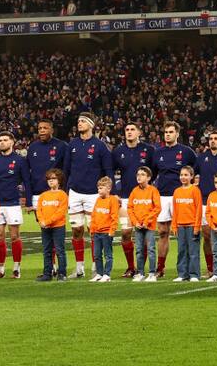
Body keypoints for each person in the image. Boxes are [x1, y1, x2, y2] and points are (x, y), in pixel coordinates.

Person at [65, 114, 112, 279]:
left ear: (91, 125)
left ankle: (95, 266)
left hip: (94, 194)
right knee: (76, 230)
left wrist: (107, 192)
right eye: (78, 121)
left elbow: (108, 171)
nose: (79, 123)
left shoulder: (100, 146)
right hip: (75, 192)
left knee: (94, 231)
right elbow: (66, 169)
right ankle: (79, 268)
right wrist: (66, 191)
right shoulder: (72, 145)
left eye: (83, 121)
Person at [153, 121, 197, 279]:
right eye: (166, 132)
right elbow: (152, 172)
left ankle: (189, 269)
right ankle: (160, 267)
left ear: (177, 134)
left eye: (171, 132)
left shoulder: (186, 152)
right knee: (163, 232)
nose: (168, 134)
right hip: (163, 195)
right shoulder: (158, 152)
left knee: (184, 233)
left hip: (182, 196)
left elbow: (195, 167)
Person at [0, 131, 31, 279]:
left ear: (12, 142)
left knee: (14, 236)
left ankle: (17, 268)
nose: (2, 142)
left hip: (12, 203)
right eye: (0, 140)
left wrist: (29, 202)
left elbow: (27, 182)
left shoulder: (19, 160)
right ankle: (0, 268)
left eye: (5, 140)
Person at [112, 121, 152, 279]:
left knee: (143, 233)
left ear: (139, 132)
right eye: (127, 130)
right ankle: (131, 267)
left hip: (144, 198)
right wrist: (114, 193)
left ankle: (142, 268)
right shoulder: (118, 151)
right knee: (126, 233)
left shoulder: (148, 150)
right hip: (126, 197)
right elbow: (110, 170)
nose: (129, 132)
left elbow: (153, 170)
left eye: (132, 129)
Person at [196, 129, 217, 276]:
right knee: (207, 235)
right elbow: (192, 173)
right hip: (205, 201)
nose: (213, 141)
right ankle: (211, 268)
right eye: (211, 139)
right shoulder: (201, 157)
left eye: (216, 138)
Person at [35, 168, 69, 282]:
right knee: (46, 250)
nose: (51, 181)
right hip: (45, 227)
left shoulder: (62, 195)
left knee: (60, 250)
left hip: (58, 226)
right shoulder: (43, 195)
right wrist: (41, 221)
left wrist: (47, 221)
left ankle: (62, 273)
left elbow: (60, 212)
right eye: (49, 179)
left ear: (59, 180)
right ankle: (47, 273)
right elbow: (38, 210)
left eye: (53, 178)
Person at [128, 166, 161, 282]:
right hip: (138, 226)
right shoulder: (134, 191)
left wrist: (147, 221)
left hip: (149, 226)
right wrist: (135, 222)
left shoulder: (153, 191)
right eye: (138, 174)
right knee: (138, 250)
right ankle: (140, 273)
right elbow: (130, 208)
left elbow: (157, 208)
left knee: (151, 249)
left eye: (142, 174)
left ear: (148, 177)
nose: (139, 177)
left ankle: (152, 273)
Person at [171, 165, 203, 282]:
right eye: (181, 175)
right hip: (180, 225)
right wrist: (174, 225)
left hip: (191, 225)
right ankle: (182, 274)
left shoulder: (195, 190)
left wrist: (196, 226)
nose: (183, 177)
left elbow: (199, 209)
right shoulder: (177, 191)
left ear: (191, 176)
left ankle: (194, 274)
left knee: (193, 251)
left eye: (186, 175)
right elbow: (175, 210)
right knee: (181, 251)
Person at [89, 176, 120, 283]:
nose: (99, 190)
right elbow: (93, 215)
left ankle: (107, 274)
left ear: (108, 188)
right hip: (97, 232)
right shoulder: (97, 200)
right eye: (98, 188)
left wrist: (112, 230)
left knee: (108, 255)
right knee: (96, 254)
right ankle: (99, 273)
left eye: (101, 188)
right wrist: (92, 230)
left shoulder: (113, 200)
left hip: (107, 232)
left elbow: (114, 216)